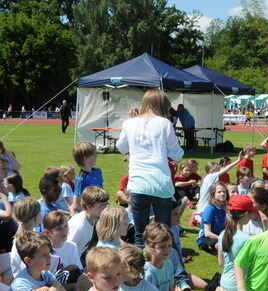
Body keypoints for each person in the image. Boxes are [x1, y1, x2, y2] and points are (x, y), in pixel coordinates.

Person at [117, 89, 184, 248]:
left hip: (138, 183)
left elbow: (121, 147)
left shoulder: (129, 123)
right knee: (163, 234)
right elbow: (177, 155)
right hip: (160, 183)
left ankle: (143, 270)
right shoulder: (164, 123)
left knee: (140, 237)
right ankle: (164, 270)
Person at [218, 194, 259, 291]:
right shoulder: (247, 239)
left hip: (224, 284)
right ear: (245, 214)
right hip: (240, 287)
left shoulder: (222, 234)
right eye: (251, 212)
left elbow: (221, 263)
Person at [67, 186, 109, 258]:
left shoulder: (92, 219)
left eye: (106, 204)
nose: (105, 208)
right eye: (101, 205)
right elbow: (66, 251)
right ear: (88, 206)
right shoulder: (79, 226)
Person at [197, 183, 228, 254]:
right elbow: (207, 233)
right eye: (219, 192)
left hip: (220, 236)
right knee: (220, 244)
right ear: (213, 194)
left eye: (224, 192)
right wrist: (222, 238)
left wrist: (227, 212)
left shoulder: (224, 208)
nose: (222, 194)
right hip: (206, 239)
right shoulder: (210, 209)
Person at [72, 142, 103, 208]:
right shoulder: (81, 179)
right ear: (85, 158)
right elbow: (76, 204)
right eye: (94, 155)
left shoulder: (98, 171)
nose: (96, 156)